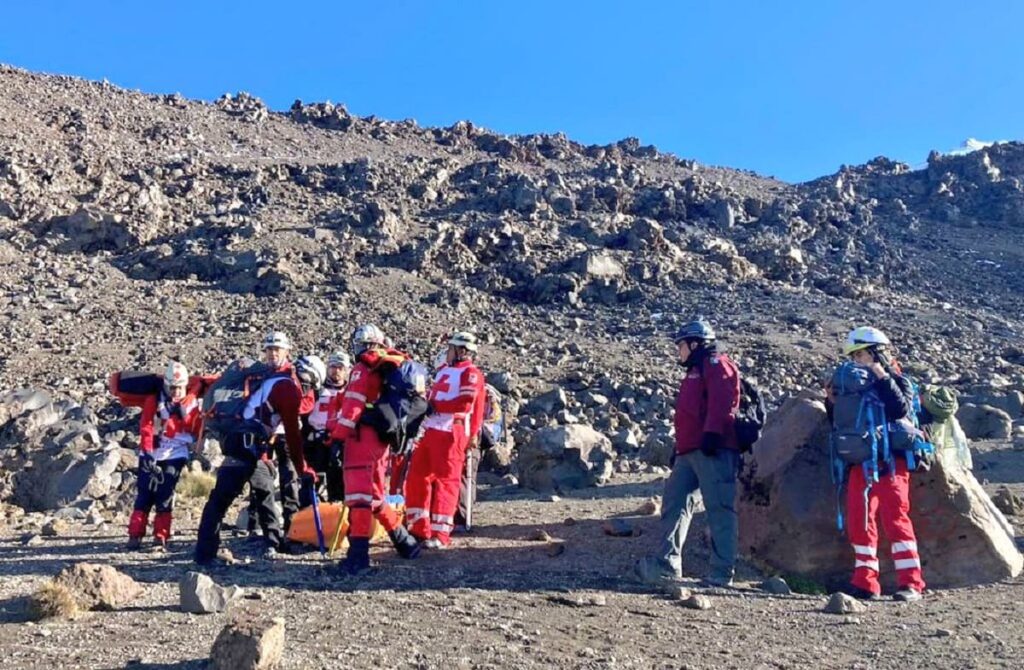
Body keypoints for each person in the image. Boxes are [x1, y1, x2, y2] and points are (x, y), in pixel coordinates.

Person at [635, 318, 741, 587]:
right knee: (674, 504)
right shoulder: (695, 370)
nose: (678, 351)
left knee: (719, 509)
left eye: (681, 345)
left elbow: (724, 402)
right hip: (690, 452)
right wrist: (679, 448)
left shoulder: (716, 365)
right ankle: (667, 565)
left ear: (695, 343)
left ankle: (721, 572)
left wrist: (713, 434)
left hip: (713, 450)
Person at [194, 331, 316, 564]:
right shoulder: (287, 387)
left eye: (276, 350)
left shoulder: (267, 380)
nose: (272, 353)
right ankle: (206, 554)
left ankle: (271, 542)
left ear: (287, 353)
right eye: (270, 349)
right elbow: (292, 434)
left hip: (245, 444)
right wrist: (303, 470)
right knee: (226, 498)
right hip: (247, 446)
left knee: (260, 490)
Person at [828, 327, 927, 602]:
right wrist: (832, 400)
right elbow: (837, 421)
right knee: (859, 519)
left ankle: (911, 583)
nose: (857, 361)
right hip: (861, 462)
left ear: (876, 353)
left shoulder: (899, 380)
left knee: (895, 518)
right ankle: (865, 582)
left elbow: (900, 410)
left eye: (860, 354)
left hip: (891, 461)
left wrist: (883, 377)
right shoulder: (852, 388)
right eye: (854, 356)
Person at [329, 324, 421, 574]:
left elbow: (353, 407)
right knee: (376, 496)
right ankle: (405, 542)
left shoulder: (363, 369)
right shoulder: (386, 367)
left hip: (362, 438)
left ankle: (358, 556)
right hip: (380, 439)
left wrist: (337, 438)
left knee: (359, 498)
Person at [405, 332, 485, 549]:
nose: (447, 352)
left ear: (461, 350)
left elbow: (466, 404)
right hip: (431, 430)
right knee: (417, 476)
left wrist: (437, 408)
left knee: (446, 481)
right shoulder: (443, 372)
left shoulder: (472, 373)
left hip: (451, 432)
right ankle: (418, 528)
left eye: (450, 348)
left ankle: (441, 533)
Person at [127, 361, 202, 550]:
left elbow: (198, 429)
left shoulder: (193, 404)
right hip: (152, 452)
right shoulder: (155, 400)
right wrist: (148, 452)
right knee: (144, 494)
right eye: (172, 388)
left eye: (179, 388)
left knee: (165, 495)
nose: (176, 391)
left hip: (176, 453)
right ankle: (135, 535)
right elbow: (146, 426)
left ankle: (160, 536)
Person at [306, 351, 350, 502]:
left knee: (338, 477)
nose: (336, 371)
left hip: (340, 441)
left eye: (340, 367)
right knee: (314, 478)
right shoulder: (317, 390)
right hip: (316, 440)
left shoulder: (351, 392)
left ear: (346, 370)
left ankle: (336, 512)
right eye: (332, 367)